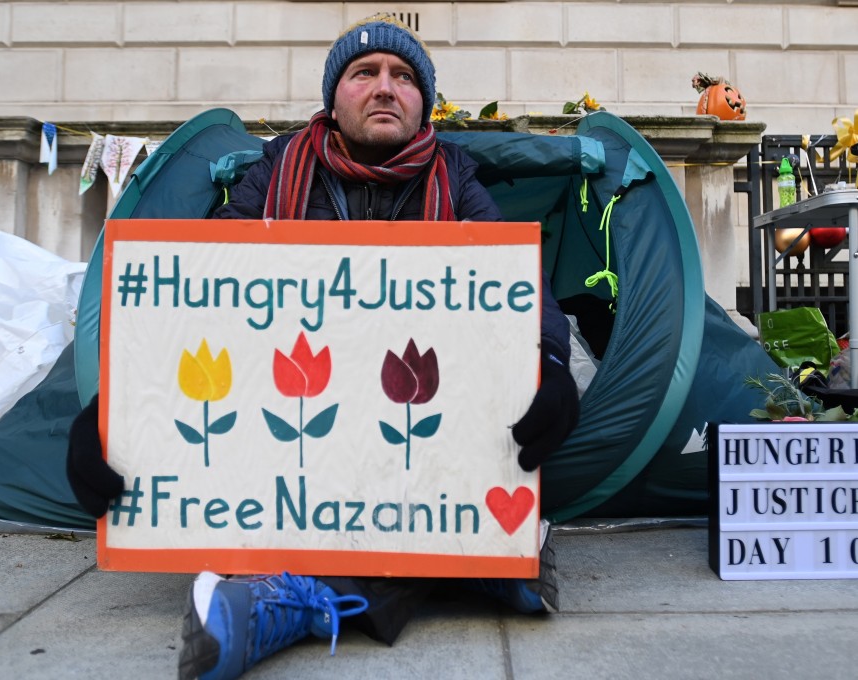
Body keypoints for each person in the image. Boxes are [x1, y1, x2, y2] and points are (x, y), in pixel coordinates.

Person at [66, 14, 580, 680]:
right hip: (303, 414)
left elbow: (518, 293)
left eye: (402, 77)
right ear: (334, 100)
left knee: (510, 417)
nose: (385, 88)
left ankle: (298, 602)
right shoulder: (274, 174)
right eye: (364, 74)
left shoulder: (457, 180)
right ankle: (483, 568)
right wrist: (113, 409)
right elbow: (199, 302)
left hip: (413, 421)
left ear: (424, 102)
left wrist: (552, 360)